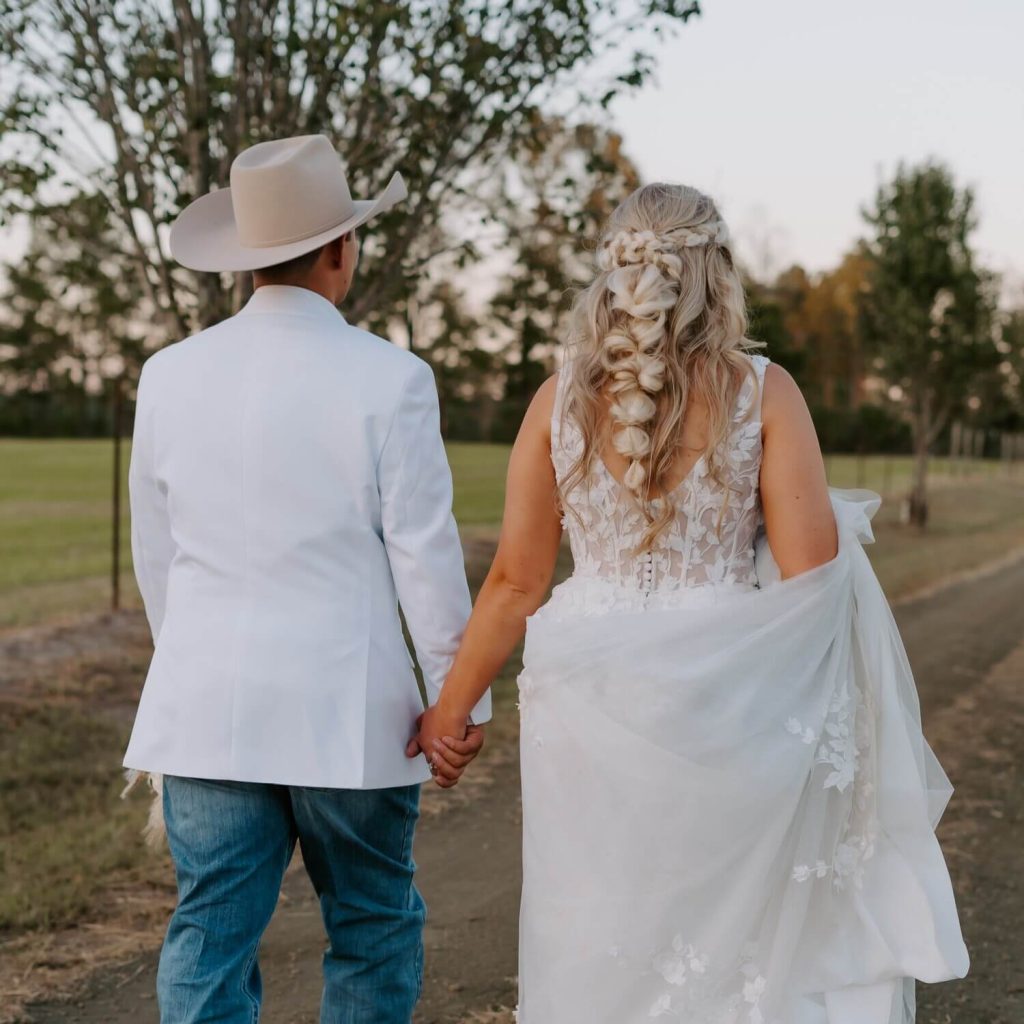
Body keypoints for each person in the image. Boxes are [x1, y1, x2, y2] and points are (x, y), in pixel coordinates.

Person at [415, 183, 969, 1023]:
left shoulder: (556, 401)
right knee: (732, 918)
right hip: (729, 692)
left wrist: (449, 711)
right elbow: (813, 573)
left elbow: (516, 584)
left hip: (588, 696)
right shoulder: (762, 391)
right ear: (716, 274)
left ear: (612, 273)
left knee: (598, 914)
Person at [123, 134, 489, 1024]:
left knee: (209, 933)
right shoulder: (393, 379)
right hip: (348, 719)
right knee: (370, 926)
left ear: (249, 261)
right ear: (340, 249)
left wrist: (195, 664)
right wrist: (457, 702)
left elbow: (156, 555)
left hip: (208, 712)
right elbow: (424, 556)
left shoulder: (166, 376)